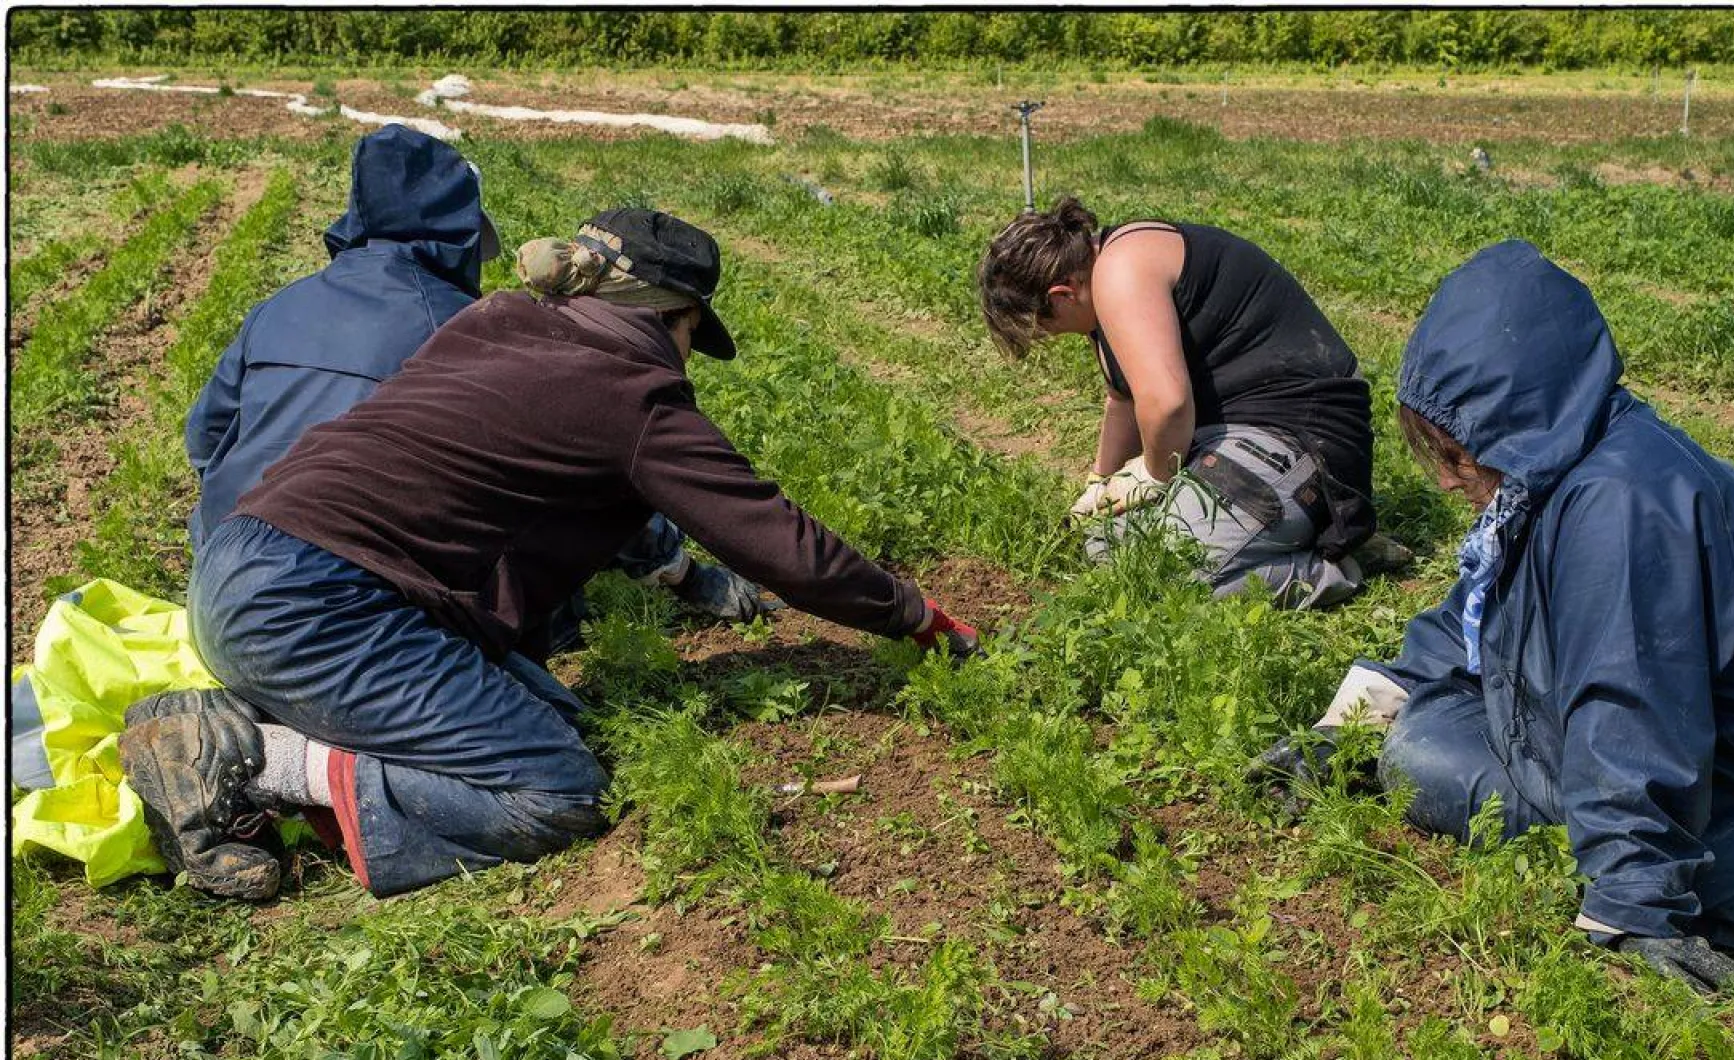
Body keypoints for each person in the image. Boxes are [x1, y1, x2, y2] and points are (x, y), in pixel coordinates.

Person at [121, 208, 982, 902]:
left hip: (244, 563)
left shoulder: (500, 320)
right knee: (559, 787)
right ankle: (257, 762)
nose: (689, 354)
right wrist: (917, 617)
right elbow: (780, 541)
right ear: (667, 314)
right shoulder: (631, 392)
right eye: (692, 331)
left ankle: (230, 729)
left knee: (557, 716)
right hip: (320, 605)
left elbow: (581, 498)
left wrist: (688, 579)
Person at [1251, 240, 1734, 995]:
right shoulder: (1572, 456)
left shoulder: (1620, 508)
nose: (1447, 480)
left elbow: (1632, 704)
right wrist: (1349, 723)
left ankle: (1634, 866)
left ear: (1515, 417)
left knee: (1426, 754)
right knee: (1426, 723)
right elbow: (1478, 613)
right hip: (1719, 757)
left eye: (1455, 454)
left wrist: (1636, 905)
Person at [184, 123, 767, 638]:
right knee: (530, 586)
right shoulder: (466, 331)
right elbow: (585, 470)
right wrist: (684, 573)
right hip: (344, 586)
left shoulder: (279, 306)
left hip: (223, 563)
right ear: (457, 233)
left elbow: (206, 441)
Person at [977, 197, 1406, 608]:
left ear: (1061, 294)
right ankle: (1276, 538)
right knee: (1105, 547)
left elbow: (1166, 404)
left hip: (1301, 443)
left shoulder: (1121, 271)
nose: (1054, 336)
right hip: (1231, 439)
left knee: (1166, 568)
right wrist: (1099, 485)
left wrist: (1150, 475)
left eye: (1048, 327)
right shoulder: (1101, 271)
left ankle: (1332, 562)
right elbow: (1122, 400)